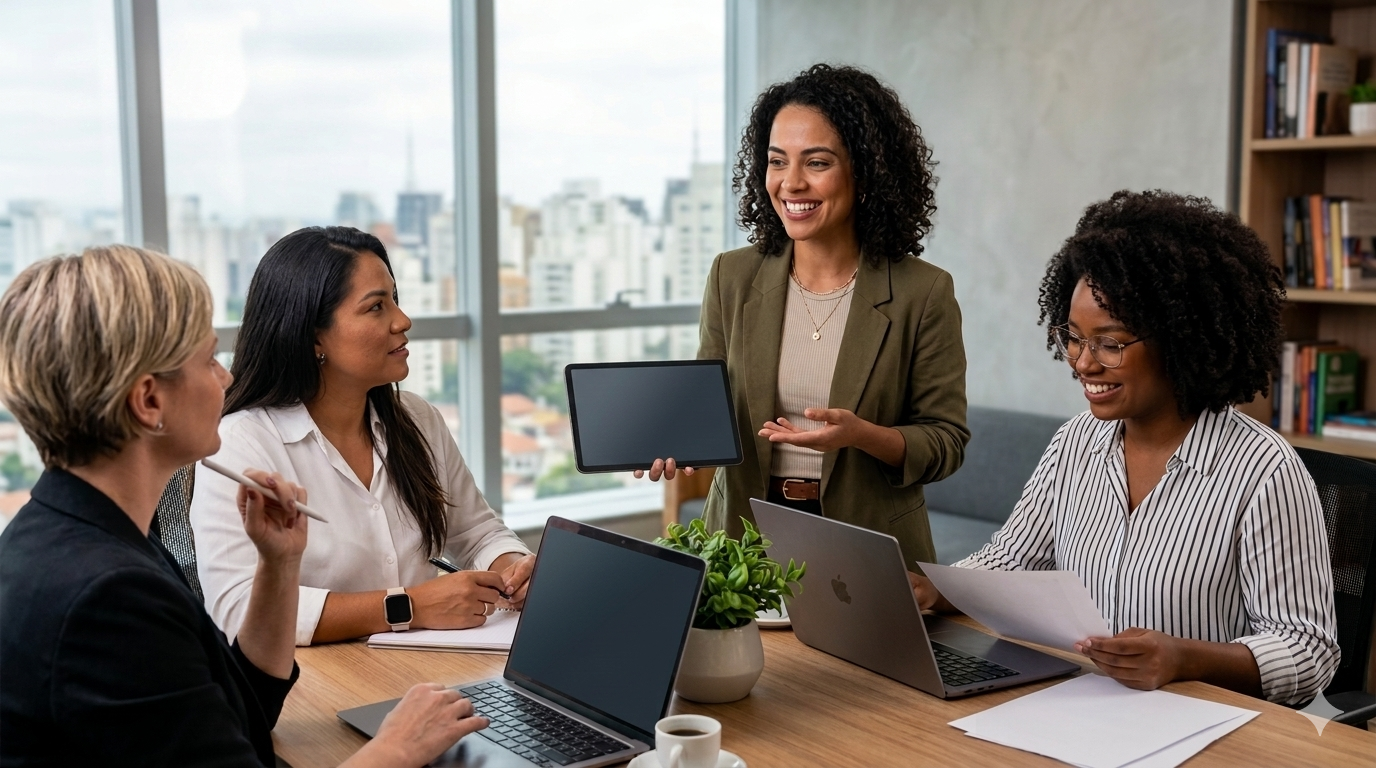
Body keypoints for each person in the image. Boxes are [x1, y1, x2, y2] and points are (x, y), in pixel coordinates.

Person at [0, 245, 488, 766]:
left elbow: (245, 711)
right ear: (149, 401)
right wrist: (397, 748)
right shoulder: (111, 598)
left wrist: (279, 567)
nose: (226, 378)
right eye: (208, 360)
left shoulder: (83, 538)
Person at [913, 191, 1339, 705]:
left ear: (1181, 338)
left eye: (1110, 343)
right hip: (1081, 705)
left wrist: (1184, 658)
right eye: (1074, 337)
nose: (1083, 363)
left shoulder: (1263, 470)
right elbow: (1012, 558)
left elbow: (1308, 649)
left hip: (1199, 720)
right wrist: (942, 589)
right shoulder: (1075, 443)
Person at [639, 63, 968, 568]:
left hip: (866, 545)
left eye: (816, 163)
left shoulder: (923, 292)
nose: (791, 183)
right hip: (743, 540)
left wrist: (861, 435)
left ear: (865, 172)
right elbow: (711, 406)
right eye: (777, 162)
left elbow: (945, 443)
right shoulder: (732, 275)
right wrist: (679, 439)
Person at [191, 227, 534, 646]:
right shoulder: (242, 443)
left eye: (395, 299)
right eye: (376, 307)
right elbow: (238, 610)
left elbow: (477, 533)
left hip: (428, 668)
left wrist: (514, 569)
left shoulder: (417, 418)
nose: (402, 321)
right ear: (313, 335)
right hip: (317, 676)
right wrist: (409, 606)